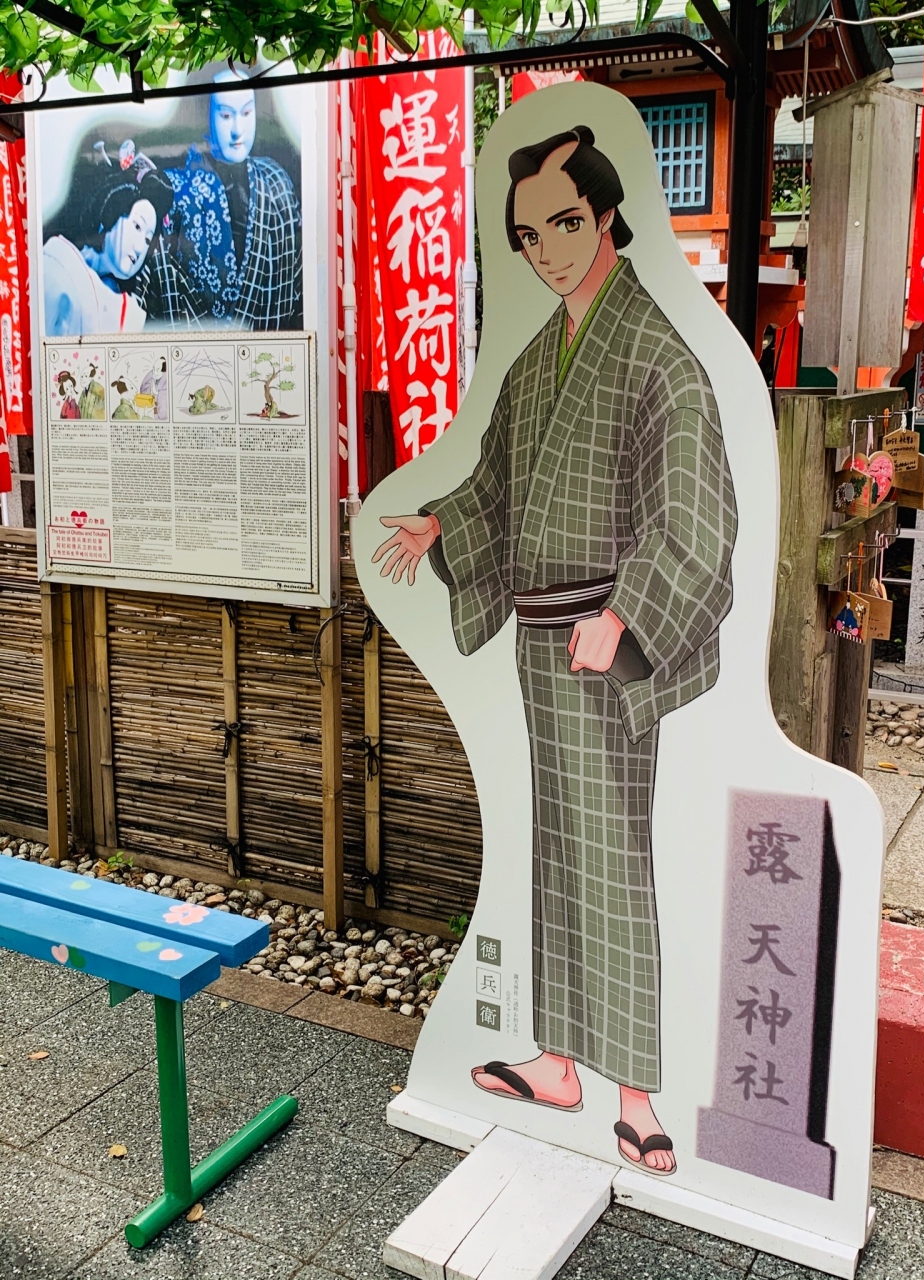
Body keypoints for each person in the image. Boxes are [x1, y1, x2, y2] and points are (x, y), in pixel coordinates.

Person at [373, 126, 737, 1175]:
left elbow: (696, 514)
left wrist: (626, 616)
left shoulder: (656, 353)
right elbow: (497, 475)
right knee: (556, 850)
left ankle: (639, 1095)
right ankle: (563, 1062)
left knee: (612, 856)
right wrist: (443, 522)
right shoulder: (544, 356)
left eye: (566, 223)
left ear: (608, 213)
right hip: (543, 641)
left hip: (603, 643)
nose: (549, 252)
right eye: (530, 236)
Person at [155, 71, 302, 329]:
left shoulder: (275, 181)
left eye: (246, 113)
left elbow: (296, 279)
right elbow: (164, 287)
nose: (237, 130)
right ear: (206, 118)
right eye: (225, 116)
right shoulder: (173, 190)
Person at [43, 157, 174, 336]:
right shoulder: (57, 266)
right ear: (111, 212)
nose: (139, 248)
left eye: (147, 240)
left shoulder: (128, 310)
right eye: (137, 226)